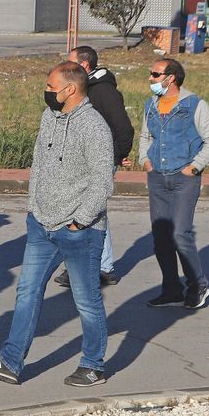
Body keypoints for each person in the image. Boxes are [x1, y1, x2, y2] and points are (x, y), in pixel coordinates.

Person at [0, 61, 115, 388]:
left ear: (70, 89)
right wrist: (33, 207)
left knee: (86, 300)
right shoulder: (49, 117)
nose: (47, 92)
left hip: (80, 230)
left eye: (51, 87)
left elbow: (102, 183)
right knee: (27, 292)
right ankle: (10, 361)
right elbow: (39, 163)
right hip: (41, 225)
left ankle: (93, 365)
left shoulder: (93, 127)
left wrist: (79, 221)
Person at [139, 57, 209, 310]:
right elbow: (146, 135)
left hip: (183, 178)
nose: (151, 79)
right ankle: (171, 289)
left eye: (155, 74)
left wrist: (195, 167)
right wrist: (144, 159)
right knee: (161, 237)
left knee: (179, 233)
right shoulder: (150, 104)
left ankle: (198, 284)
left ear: (171, 77)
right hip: (157, 176)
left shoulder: (195, 105)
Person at [55, 46, 132, 289]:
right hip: (82, 160)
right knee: (87, 210)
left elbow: (123, 127)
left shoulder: (104, 92)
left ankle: (97, 266)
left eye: (71, 64)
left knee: (89, 211)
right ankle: (96, 266)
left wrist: (116, 156)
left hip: (98, 161)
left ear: (85, 66)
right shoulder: (85, 89)